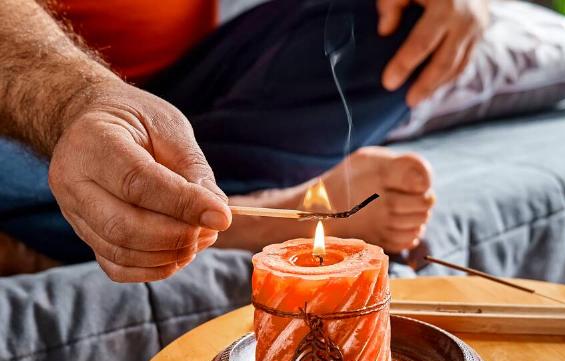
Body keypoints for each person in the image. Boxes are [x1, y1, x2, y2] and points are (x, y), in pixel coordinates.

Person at [0, 0, 488, 282]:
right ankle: (244, 219)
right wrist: (79, 100)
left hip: (190, 88)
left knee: (397, 19)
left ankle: (153, 206)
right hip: (35, 102)